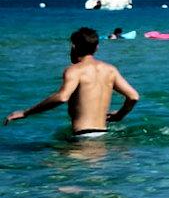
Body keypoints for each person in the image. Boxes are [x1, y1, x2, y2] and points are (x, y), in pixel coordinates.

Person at [6, 27, 140, 136]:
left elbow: (62, 97)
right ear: (97, 48)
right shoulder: (110, 70)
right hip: (103, 134)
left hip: (82, 137)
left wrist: (26, 113)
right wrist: (120, 115)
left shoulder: (74, 70)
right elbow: (133, 96)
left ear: (73, 46)